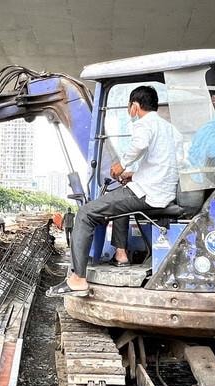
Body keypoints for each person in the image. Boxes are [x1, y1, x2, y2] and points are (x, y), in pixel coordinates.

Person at [53, 85, 179, 297]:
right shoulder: (169, 129)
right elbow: (160, 163)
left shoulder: (144, 123)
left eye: (130, 107)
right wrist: (133, 175)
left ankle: (77, 279)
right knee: (120, 200)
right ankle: (121, 254)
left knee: (85, 214)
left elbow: (139, 144)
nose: (130, 111)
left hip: (148, 194)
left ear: (135, 106)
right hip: (161, 191)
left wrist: (121, 166)